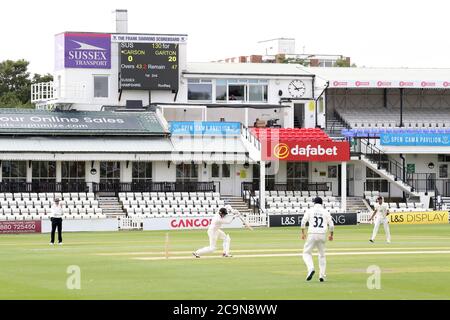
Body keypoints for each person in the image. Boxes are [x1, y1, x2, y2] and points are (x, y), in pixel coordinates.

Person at [301, 197, 334, 282]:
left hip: (312, 233)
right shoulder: (325, 212)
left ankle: (311, 268)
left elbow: (303, 222)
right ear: (321, 203)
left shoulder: (310, 210)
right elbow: (331, 225)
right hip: (322, 234)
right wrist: (331, 235)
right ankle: (321, 276)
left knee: (306, 253)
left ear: (314, 203)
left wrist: (303, 233)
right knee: (322, 255)